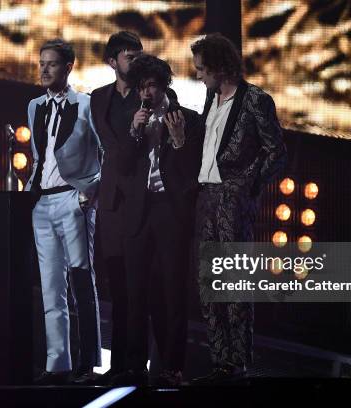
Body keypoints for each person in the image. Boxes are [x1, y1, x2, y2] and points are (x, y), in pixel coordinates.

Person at [189, 34, 287, 385]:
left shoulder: (256, 100)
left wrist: (248, 184)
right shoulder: (211, 98)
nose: (199, 75)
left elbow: (277, 152)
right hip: (207, 198)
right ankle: (221, 362)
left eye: (202, 69)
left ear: (218, 67)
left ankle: (239, 363)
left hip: (233, 199)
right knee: (208, 283)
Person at [110, 54, 204, 387]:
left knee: (173, 292)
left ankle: (173, 366)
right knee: (136, 293)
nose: (146, 93)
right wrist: (135, 134)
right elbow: (120, 167)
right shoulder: (131, 117)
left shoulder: (189, 119)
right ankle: (135, 365)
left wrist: (178, 142)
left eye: (151, 86)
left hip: (170, 211)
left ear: (164, 85)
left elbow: (194, 173)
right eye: (141, 87)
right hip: (138, 211)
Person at [24, 39, 102, 385]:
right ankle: (58, 364)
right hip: (43, 203)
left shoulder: (86, 105)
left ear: (68, 66)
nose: (43, 69)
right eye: (41, 63)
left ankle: (88, 363)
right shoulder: (34, 106)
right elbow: (40, 156)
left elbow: (106, 153)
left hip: (74, 199)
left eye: (51, 64)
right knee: (50, 287)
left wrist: (89, 193)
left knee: (82, 283)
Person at [89, 31, 143, 384]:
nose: (135, 60)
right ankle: (118, 364)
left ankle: (136, 365)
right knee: (116, 286)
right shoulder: (98, 99)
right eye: (128, 55)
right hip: (110, 201)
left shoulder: (152, 95)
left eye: (139, 53)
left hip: (142, 202)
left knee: (138, 288)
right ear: (112, 61)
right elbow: (109, 144)